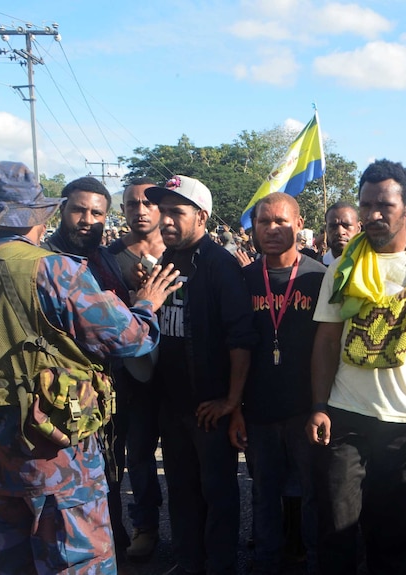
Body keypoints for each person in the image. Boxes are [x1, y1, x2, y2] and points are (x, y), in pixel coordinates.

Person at [0, 161, 180, 574]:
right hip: (52, 449)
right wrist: (146, 304)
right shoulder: (53, 270)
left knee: (11, 561)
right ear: (43, 214)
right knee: (77, 559)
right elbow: (129, 338)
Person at [306, 159, 406, 575]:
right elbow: (326, 339)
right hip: (345, 418)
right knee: (336, 531)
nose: (373, 215)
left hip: (405, 423)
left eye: (384, 206)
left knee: (392, 537)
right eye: (366, 205)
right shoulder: (343, 267)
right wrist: (320, 406)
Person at [145, 174, 257, 575]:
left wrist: (231, 400)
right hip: (172, 405)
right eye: (164, 212)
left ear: (202, 217)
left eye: (177, 212)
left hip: (209, 407)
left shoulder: (221, 266)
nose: (166, 221)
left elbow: (240, 339)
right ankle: (189, 561)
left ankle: (221, 565)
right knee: (180, 491)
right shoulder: (165, 262)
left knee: (217, 494)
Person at [43, 176, 143, 563]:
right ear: (61, 210)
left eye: (96, 212)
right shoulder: (45, 262)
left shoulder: (105, 260)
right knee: (69, 502)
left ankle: (113, 540)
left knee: (111, 474)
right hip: (63, 402)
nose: (87, 219)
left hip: (107, 394)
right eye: (79, 210)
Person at [235, 192, 326, 574]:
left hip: (305, 408)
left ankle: (317, 562)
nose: (272, 229)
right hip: (258, 410)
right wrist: (235, 409)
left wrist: (323, 407)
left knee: (313, 495)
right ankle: (266, 562)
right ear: (253, 228)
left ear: (299, 224)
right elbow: (234, 348)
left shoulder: (318, 277)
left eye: (282, 222)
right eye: (264, 222)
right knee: (263, 494)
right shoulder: (242, 279)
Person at [107, 177, 166, 561]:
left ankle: (195, 530)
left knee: (180, 459)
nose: (140, 209)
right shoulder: (108, 258)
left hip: (176, 373)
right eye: (131, 203)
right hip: (128, 374)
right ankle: (144, 528)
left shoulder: (179, 251)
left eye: (147, 202)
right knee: (135, 454)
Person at [322, 201, 360, 266]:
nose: (340, 232)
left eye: (346, 225)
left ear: (359, 228)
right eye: (333, 226)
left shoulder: (371, 267)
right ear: (326, 229)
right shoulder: (315, 270)